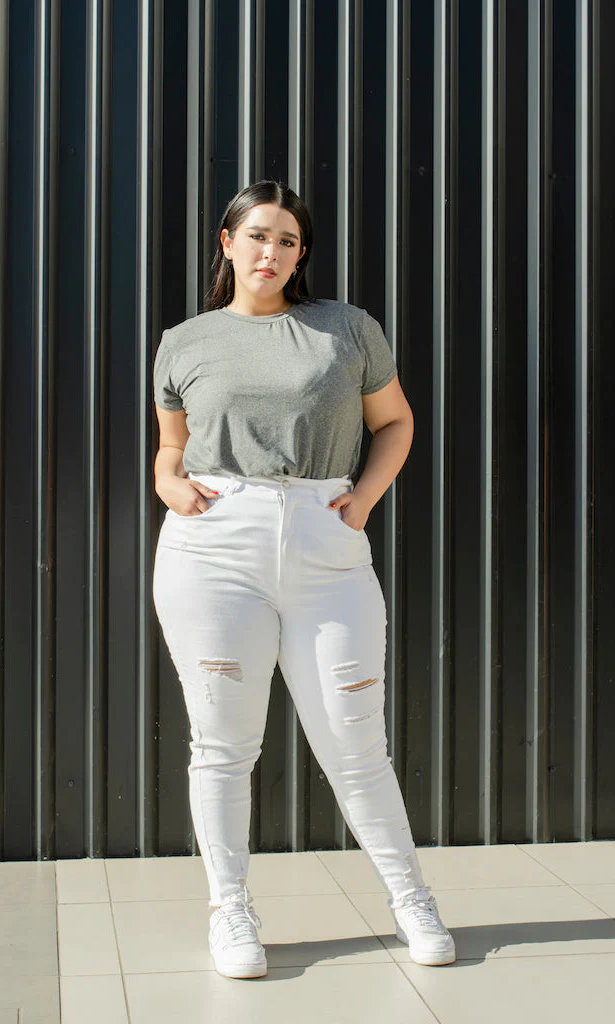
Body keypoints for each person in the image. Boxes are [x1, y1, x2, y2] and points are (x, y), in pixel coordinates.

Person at [152, 179, 455, 979]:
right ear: (227, 243)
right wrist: (168, 483)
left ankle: (411, 901)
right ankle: (230, 912)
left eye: (286, 240)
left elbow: (395, 421)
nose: (271, 252)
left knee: (357, 743)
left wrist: (364, 500)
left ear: (300, 254)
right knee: (223, 746)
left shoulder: (344, 328)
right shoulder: (185, 341)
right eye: (257, 235)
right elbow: (171, 447)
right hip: (214, 549)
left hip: (325, 544)